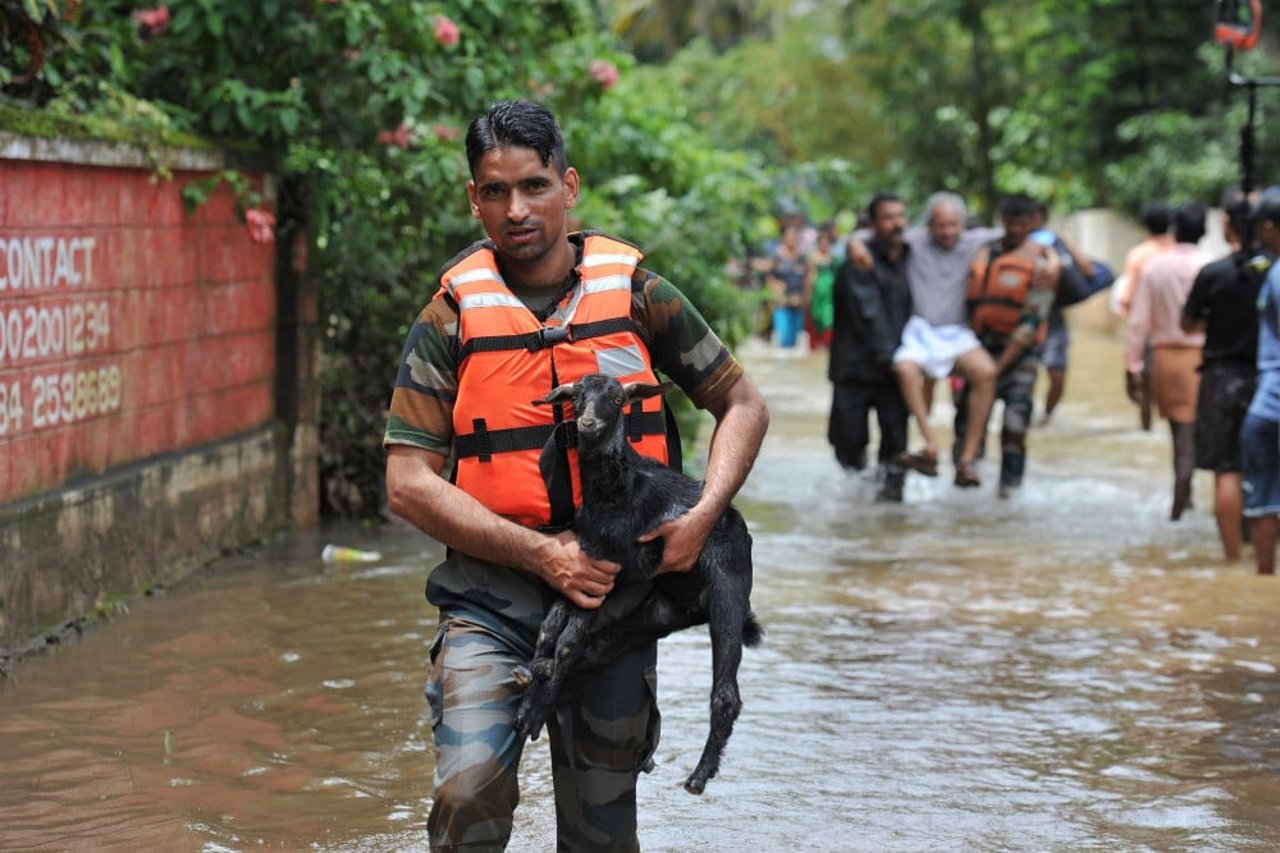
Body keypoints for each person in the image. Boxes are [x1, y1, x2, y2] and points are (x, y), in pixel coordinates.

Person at [382, 100, 770, 851]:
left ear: (570, 185)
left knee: (600, 832)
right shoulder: (449, 317)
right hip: (489, 602)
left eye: (533, 186)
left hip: (617, 610)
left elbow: (743, 405)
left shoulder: (638, 295)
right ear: (473, 198)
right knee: (468, 793)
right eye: (494, 191)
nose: (515, 209)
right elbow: (408, 482)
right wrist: (541, 552)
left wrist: (703, 513)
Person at [848, 192, 1006, 487]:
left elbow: (1033, 233)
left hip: (957, 331)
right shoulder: (914, 241)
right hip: (920, 331)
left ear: (962, 224)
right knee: (905, 369)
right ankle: (930, 445)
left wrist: (1048, 258)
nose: (947, 232)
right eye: (940, 225)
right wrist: (855, 244)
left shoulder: (976, 240)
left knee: (987, 372)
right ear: (929, 226)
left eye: (953, 225)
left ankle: (967, 461)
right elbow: (862, 235)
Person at [953, 193, 1061, 497]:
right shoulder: (981, 252)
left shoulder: (1041, 262)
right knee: (966, 421)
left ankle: (1008, 495)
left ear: (1032, 224)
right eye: (1010, 221)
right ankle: (965, 485)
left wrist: (997, 369)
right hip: (976, 349)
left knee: (1014, 425)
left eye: (1022, 223)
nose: (1015, 228)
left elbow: (1031, 323)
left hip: (1019, 357)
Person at [1181, 189, 1266, 561]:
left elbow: (1187, 323)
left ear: (1227, 224)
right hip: (1267, 377)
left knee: (1226, 470)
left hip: (1221, 378)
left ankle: (1232, 558)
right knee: (1267, 468)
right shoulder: (1274, 273)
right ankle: (1265, 555)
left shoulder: (1213, 273)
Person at [1124, 202, 1209, 521]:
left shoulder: (1154, 267)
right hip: (1207, 358)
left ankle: (1180, 507)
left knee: (1180, 439)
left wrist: (1133, 365)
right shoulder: (1210, 265)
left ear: (1175, 231)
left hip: (1166, 358)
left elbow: (1138, 321)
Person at [827, 191, 913, 501]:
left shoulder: (913, 256)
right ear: (873, 224)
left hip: (895, 371)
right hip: (856, 368)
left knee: (896, 444)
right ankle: (857, 500)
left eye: (900, 216)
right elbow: (869, 315)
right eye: (888, 218)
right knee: (848, 441)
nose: (896, 224)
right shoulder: (857, 262)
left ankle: (890, 510)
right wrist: (898, 361)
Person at [1029, 201, 1115, 424]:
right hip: (1021, 317)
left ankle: (1045, 418)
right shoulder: (1013, 248)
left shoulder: (1056, 243)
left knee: (1057, 374)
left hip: (1053, 318)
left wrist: (1067, 242)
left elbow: (1089, 272)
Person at [1242, 187, 1280, 575]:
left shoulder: (1277, 273)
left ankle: (1266, 576)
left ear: (1270, 227)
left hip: (1271, 403)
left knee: (1265, 498)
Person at [1114, 202, 1176, 430]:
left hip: (1149, 329)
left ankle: (1146, 428)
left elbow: (1127, 299)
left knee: (1144, 384)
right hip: (1180, 329)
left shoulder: (1139, 255)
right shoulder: (1178, 251)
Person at [765, 222, 809, 348]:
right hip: (781, 303)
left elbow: (807, 279)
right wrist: (775, 291)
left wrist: (805, 299)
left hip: (798, 303)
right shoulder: (776, 256)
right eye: (789, 235)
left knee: (794, 342)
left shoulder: (801, 257)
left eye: (794, 236)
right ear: (783, 237)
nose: (792, 238)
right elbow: (769, 277)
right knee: (783, 339)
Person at [804, 225, 839, 350]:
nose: (824, 244)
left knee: (829, 321)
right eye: (822, 242)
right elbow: (809, 277)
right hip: (817, 293)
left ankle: (827, 347)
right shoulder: (812, 257)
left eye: (827, 242)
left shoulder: (834, 258)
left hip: (829, 295)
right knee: (815, 320)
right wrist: (807, 298)